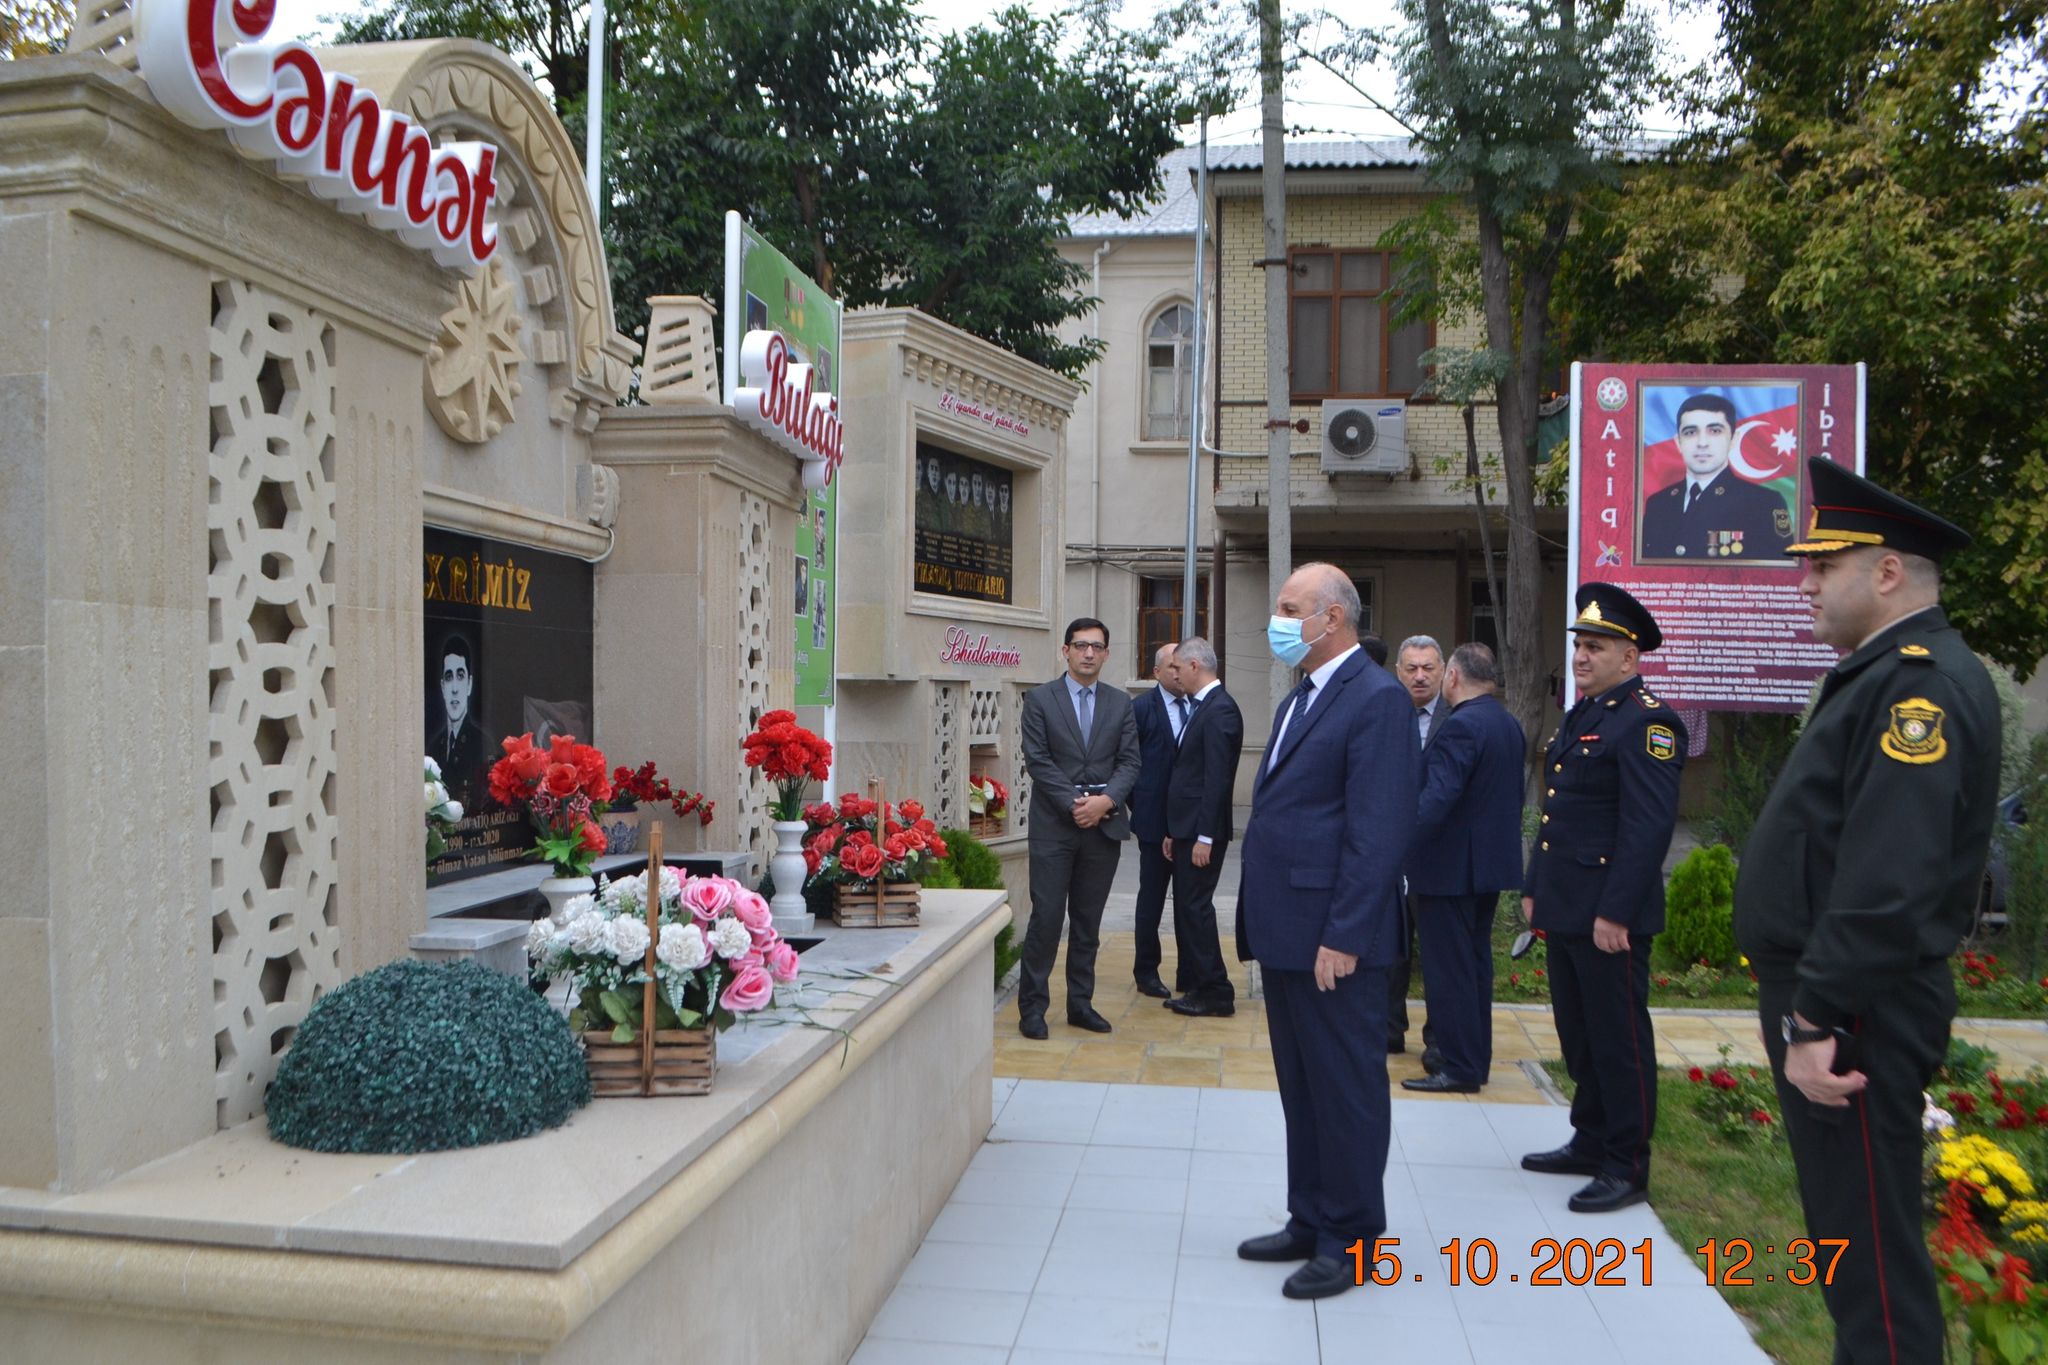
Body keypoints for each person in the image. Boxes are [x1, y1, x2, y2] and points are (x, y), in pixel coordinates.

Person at [1734, 457, 1997, 1364]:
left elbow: (1888, 882)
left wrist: (1814, 1015)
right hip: (1845, 1003)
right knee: (1852, 1250)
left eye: (1822, 565)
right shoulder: (1883, 672)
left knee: (1874, 1266)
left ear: (1886, 572)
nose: (1804, 581)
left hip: (1855, 1014)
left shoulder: (1917, 684)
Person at [1232, 564, 1418, 1300]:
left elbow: (1378, 833)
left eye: (1288, 608)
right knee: (1302, 1088)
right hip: (1287, 931)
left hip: (1334, 939)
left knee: (1345, 1091)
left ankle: (1353, 1237)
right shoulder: (1301, 697)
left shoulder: (1375, 699)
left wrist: (1343, 934)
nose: (1277, 621)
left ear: (1332, 617)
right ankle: (1310, 1215)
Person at [1520, 583, 1685, 1213]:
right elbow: (1558, 813)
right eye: (1579, 646)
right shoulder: (1585, 713)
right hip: (1567, 907)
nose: (1581, 658)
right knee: (1579, 1032)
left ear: (1630, 656)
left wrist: (1615, 911)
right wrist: (1536, 887)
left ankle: (1627, 1161)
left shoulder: (1649, 722)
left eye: (1595, 647)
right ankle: (1589, 1139)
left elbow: (1645, 829)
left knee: (1618, 1039)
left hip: (1609, 916)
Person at [1400, 642, 1526, 1094]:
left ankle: (1457, 1065)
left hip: (1449, 870)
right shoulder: (1506, 724)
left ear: (1452, 676)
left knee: (1449, 972)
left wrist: (1394, 844)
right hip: (1486, 869)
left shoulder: (1460, 727)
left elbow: (1435, 800)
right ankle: (1474, 1060)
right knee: (1473, 969)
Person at [1016, 618, 1142, 1039]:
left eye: (1097, 647)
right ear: (1065, 651)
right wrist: (1076, 804)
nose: (1089, 653)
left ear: (1106, 654)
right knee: (1047, 919)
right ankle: (1032, 1008)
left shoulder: (1120, 703)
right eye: (1081, 645)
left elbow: (1130, 762)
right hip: (1055, 827)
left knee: (1088, 923)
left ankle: (1080, 1004)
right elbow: (1038, 761)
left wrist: (1106, 802)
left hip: (1103, 828)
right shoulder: (1039, 700)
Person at [1162, 636, 1244, 1017]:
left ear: (1195, 666)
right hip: (1186, 828)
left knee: (1195, 909)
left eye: (1177, 667)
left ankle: (1216, 991)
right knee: (1187, 909)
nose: (1173, 674)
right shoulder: (1202, 707)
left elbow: (1216, 779)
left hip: (1202, 832)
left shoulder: (1220, 710)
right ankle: (1197, 984)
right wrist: (1174, 830)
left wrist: (1204, 836)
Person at [1639, 393, 1794, 560]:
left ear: (1734, 439)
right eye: (1690, 432)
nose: (1702, 443)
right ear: (1678, 442)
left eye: (1714, 431)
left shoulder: (1764, 503)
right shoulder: (1658, 503)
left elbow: (1779, 572)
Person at [1389, 635, 1445, 1060]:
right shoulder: (1385, 714)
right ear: (1399, 672)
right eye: (1412, 668)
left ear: (1443, 672)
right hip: (1389, 855)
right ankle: (1389, 1029)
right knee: (1390, 947)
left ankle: (1439, 1041)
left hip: (1437, 854)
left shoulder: (1457, 717)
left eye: (1428, 668)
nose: (1420, 676)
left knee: (1439, 954)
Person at [1130, 643, 1186, 999]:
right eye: (1173, 667)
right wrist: (1143, 810)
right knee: (1151, 901)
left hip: (1189, 826)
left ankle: (1190, 970)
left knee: (1189, 903)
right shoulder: (1140, 710)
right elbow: (1128, 765)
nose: (1180, 673)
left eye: (1183, 667)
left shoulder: (1200, 705)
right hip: (1153, 824)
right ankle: (1146, 971)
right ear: (1157, 672)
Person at [427, 632, 486, 813]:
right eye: (449, 676)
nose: (454, 688)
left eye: (460, 676)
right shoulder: (434, 747)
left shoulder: (482, 742)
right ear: (443, 686)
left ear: (469, 684)